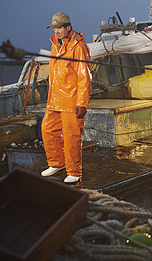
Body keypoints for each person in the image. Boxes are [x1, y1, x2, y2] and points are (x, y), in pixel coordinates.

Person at [41, 12, 92, 183]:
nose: (56, 31)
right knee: (47, 130)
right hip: (54, 100)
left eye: (59, 27)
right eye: (54, 27)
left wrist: (82, 103)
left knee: (71, 137)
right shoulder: (55, 45)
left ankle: (74, 172)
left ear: (68, 27)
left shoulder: (78, 46)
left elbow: (84, 76)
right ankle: (57, 163)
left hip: (72, 101)